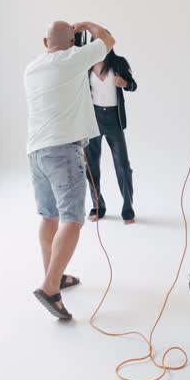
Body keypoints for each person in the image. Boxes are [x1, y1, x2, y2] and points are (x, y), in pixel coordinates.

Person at [25, 20, 115, 321]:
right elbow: (109, 40)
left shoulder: (33, 67)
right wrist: (89, 25)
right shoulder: (73, 59)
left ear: (44, 42)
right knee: (72, 219)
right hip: (63, 151)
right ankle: (50, 287)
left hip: (36, 152)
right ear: (74, 42)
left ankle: (56, 273)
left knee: (49, 215)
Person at [85, 47, 138, 223]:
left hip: (114, 119)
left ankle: (128, 210)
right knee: (91, 165)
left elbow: (133, 85)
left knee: (123, 165)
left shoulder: (118, 63)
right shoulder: (85, 64)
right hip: (93, 117)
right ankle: (98, 206)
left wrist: (125, 84)